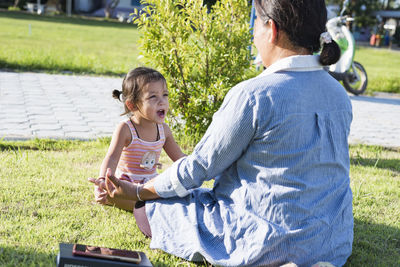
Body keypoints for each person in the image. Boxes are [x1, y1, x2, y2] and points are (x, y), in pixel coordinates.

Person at [90, 0, 354, 266]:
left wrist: (138, 192)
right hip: (330, 242)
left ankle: (130, 200)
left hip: (265, 240)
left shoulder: (254, 95)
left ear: (271, 29)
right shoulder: (338, 94)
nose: (254, 35)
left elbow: (199, 168)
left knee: (170, 204)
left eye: (255, 25)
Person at [88, 67, 185, 211]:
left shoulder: (164, 130)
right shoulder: (126, 129)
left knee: (177, 194)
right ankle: (110, 197)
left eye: (165, 94)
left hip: (150, 185)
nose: (162, 101)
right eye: (153, 97)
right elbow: (112, 158)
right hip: (126, 185)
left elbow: (180, 159)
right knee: (129, 199)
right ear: (132, 105)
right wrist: (103, 179)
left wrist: (205, 168)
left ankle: (146, 203)